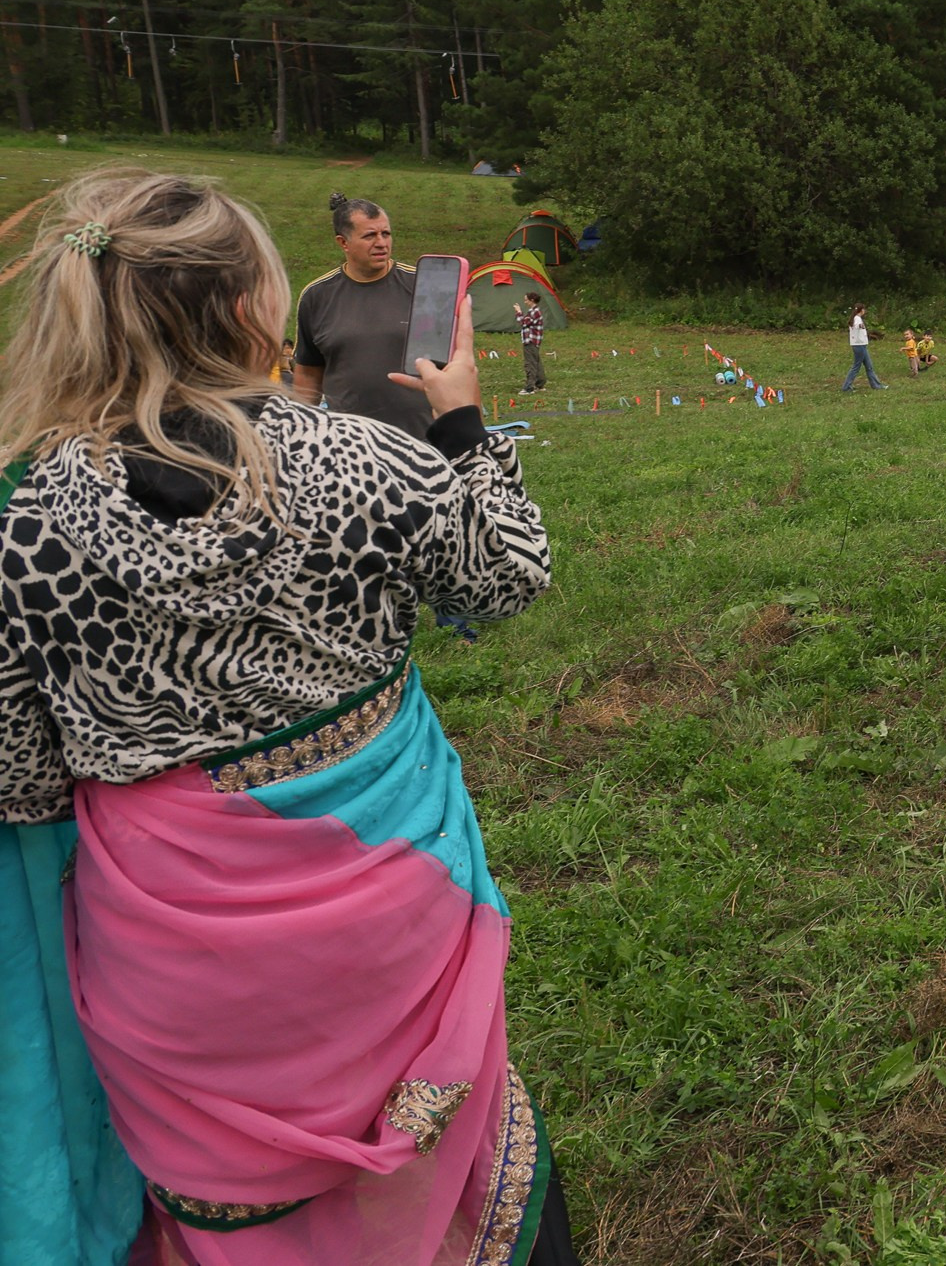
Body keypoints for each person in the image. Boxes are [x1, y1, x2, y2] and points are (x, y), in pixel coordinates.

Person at [0, 170, 572, 1264]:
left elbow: (18, 778)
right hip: (396, 909)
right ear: (253, 306)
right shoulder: (371, 459)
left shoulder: (27, 521)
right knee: (449, 1157)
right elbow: (505, 578)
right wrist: (462, 422)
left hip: (170, 953)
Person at [290, 193, 431, 440]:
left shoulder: (423, 287)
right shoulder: (316, 296)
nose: (381, 243)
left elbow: (457, 367)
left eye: (386, 233)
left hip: (423, 442)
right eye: (369, 236)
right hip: (349, 447)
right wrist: (299, 435)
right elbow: (308, 374)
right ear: (343, 242)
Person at [841, 304, 885, 391]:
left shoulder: (855, 318)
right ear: (861, 310)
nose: (864, 311)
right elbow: (857, 326)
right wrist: (861, 326)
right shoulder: (857, 319)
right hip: (859, 345)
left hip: (861, 345)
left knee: (869, 366)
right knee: (856, 367)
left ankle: (876, 385)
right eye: (864, 309)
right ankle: (846, 387)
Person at [514, 291, 548, 392]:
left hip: (530, 341)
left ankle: (529, 388)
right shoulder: (533, 311)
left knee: (530, 364)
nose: (525, 302)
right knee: (536, 362)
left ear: (532, 300)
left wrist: (519, 312)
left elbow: (523, 322)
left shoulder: (534, 312)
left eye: (526, 300)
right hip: (533, 341)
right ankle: (540, 384)